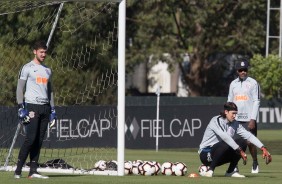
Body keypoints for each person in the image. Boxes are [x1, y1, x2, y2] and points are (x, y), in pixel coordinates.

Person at [14, 40, 57, 179]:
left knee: (39, 140)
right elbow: (20, 88)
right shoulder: (27, 67)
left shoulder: (48, 70)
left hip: (45, 108)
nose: (44, 54)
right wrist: (21, 108)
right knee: (30, 139)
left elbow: (50, 91)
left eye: (45, 52)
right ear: (35, 52)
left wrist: (53, 110)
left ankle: (33, 171)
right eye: (41, 52)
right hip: (32, 106)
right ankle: (18, 171)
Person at [198, 102, 271, 178]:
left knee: (243, 142)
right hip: (206, 154)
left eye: (236, 114)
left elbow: (248, 135)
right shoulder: (215, 120)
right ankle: (210, 171)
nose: (234, 116)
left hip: (220, 155)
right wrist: (239, 150)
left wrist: (263, 147)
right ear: (226, 112)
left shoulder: (235, 123)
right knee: (227, 142)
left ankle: (230, 171)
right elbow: (225, 137)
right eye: (233, 113)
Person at [227, 58, 261, 173]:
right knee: (234, 143)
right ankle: (235, 164)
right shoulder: (233, 84)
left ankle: (255, 161)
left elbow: (257, 101)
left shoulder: (253, 83)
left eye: (245, 69)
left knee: (250, 142)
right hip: (235, 118)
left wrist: (253, 119)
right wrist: (228, 115)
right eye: (241, 70)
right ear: (237, 71)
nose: (243, 72)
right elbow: (229, 101)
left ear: (247, 70)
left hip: (248, 119)